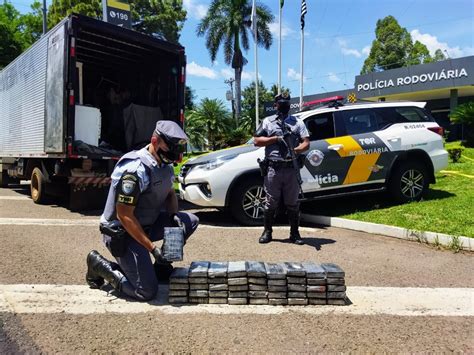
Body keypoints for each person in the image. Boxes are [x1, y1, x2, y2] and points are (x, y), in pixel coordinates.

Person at [86, 120, 199, 301]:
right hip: (121, 233)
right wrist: (153, 248)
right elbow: (124, 215)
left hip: (146, 224)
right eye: (170, 152)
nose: (174, 158)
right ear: (155, 142)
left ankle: (160, 267)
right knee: (145, 291)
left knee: (189, 221)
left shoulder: (164, 163)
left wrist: (173, 215)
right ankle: (99, 265)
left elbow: (169, 194)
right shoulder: (135, 170)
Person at [253, 92, 310, 245]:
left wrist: (295, 150)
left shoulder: (297, 122)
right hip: (273, 168)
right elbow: (257, 140)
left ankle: (294, 233)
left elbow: (306, 143)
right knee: (270, 202)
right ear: (275, 105)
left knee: (292, 202)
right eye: (281, 103)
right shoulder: (267, 122)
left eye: (286, 103)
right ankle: (267, 232)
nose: (284, 105)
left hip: (291, 168)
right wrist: (276, 139)